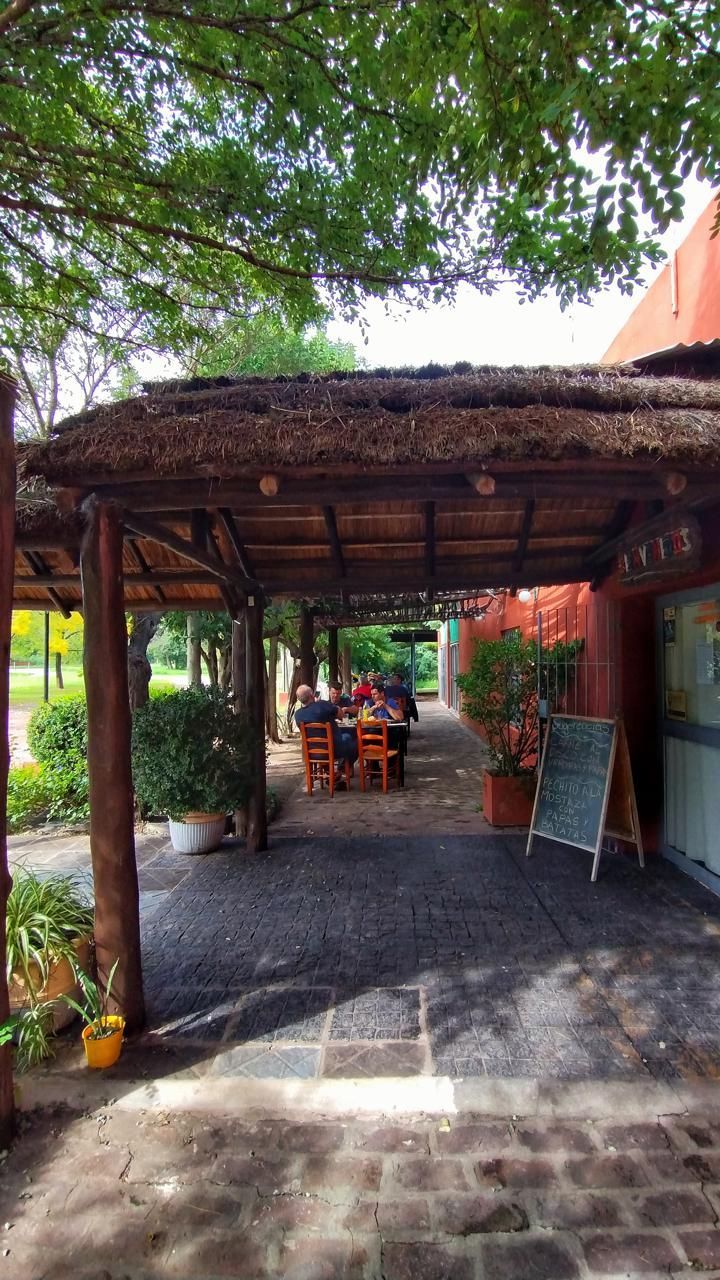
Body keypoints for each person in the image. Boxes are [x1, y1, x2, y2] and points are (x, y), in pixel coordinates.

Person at [295, 683, 358, 775]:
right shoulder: (322, 705)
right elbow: (341, 714)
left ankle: (331, 773)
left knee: (345, 738)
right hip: (333, 750)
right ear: (312, 695)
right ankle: (342, 768)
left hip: (311, 752)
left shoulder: (297, 715)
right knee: (354, 740)